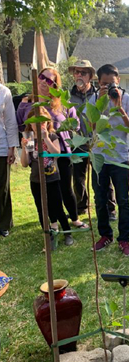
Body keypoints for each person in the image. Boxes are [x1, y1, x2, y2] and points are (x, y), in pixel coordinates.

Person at [17, 67, 88, 230]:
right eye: (42, 77)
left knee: (65, 186)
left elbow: (75, 124)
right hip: (40, 155)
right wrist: (26, 144)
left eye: (50, 80)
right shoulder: (27, 102)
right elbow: (21, 124)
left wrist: (64, 128)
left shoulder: (61, 102)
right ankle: (54, 222)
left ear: (55, 85)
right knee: (47, 190)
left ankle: (74, 218)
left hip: (60, 151)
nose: (44, 81)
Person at [90, 64, 129, 254]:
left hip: (120, 157)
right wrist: (100, 104)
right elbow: (92, 126)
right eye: (104, 83)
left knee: (123, 199)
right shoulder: (94, 99)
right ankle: (105, 235)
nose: (109, 87)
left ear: (118, 81)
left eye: (111, 83)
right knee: (100, 199)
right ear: (98, 83)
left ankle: (124, 240)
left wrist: (119, 108)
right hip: (99, 157)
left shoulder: (127, 99)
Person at [69, 60, 117, 220]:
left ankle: (110, 208)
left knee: (101, 176)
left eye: (83, 72)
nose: (79, 75)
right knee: (78, 177)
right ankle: (81, 206)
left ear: (90, 76)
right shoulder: (69, 97)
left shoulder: (99, 94)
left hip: (97, 141)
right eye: (77, 72)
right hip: (78, 142)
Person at [20, 107, 73, 246]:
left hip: (52, 178)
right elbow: (25, 163)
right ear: (30, 123)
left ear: (48, 122)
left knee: (57, 207)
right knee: (42, 209)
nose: (39, 125)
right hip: (36, 179)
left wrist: (46, 139)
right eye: (36, 122)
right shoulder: (30, 138)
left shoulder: (52, 136)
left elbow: (56, 153)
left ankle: (67, 232)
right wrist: (25, 149)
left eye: (43, 122)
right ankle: (48, 235)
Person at [0, 83, 18, 237]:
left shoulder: (4, 91)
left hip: (1, 147)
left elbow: (10, 121)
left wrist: (12, 147)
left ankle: (4, 223)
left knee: (2, 187)